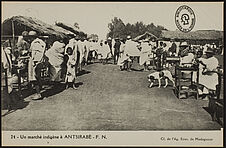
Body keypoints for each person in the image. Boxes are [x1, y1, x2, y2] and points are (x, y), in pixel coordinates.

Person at [27, 31, 46, 100]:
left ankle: (38, 94)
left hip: (36, 62)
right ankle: (38, 92)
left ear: (32, 37)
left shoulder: (36, 43)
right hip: (38, 62)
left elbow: (37, 54)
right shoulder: (40, 42)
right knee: (37, 77)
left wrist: (35, 62)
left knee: (35, 78)